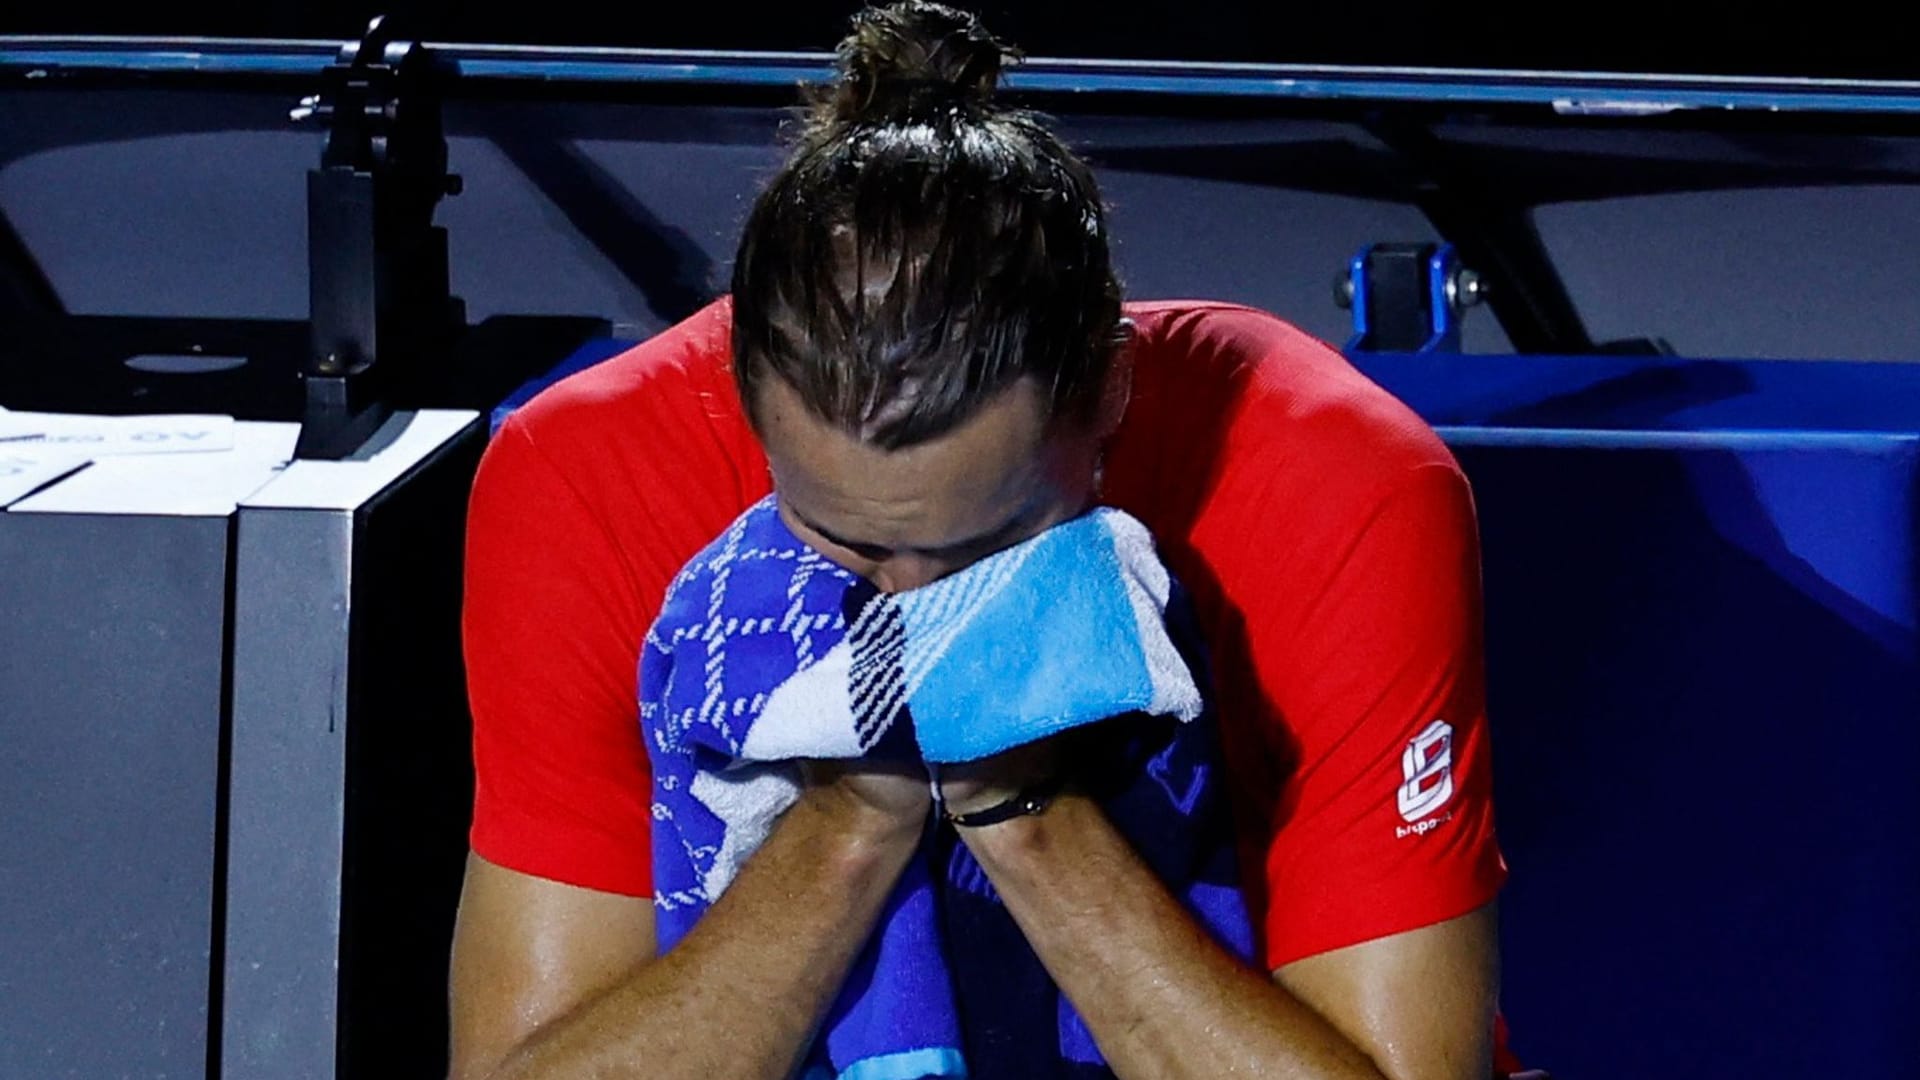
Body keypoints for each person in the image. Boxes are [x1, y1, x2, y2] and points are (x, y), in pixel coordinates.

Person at [449, 3, 1511, 1078]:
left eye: (981, 545)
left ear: (1110, 390)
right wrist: (850, 824)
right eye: (847, 542)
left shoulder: (1333, 480)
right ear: (745, 400)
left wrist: (1026, 809)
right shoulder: (590, 470)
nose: (916, 601)